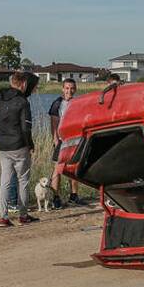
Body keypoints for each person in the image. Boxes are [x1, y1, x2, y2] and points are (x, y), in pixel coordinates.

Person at [0, 70, 39, 226]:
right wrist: (30, 144)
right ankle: (23, 215)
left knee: (4, 182)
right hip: (19, 146)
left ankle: (3, 217)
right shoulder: (23, 102)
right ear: (23, 83)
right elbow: (26, 128)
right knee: (23, 181)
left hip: (4, 147)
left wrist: (0, 143)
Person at [49, 78, 83, 206]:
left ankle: (74, 196)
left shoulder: (78, 102)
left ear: (75, 89)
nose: (70, 91)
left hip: (75, 140)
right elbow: (53, 123)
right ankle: (55, 198)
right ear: (63, 89)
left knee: (73, 169)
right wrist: (55, 139)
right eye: (67, 88)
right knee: (58, 169)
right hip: (62, 141)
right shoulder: (57, 103)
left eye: (72, 88)